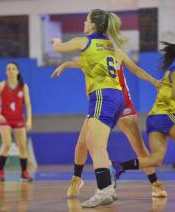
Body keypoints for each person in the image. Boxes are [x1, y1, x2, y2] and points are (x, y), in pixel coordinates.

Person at [51, 49, 167, 198]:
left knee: (139, 146)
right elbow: (79, 67)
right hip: (103, 104)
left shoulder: (116, 53)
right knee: (82, 143)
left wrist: (154, 81)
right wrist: (65, 64)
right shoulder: (89, 55)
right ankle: (77, 178)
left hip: (123, 102)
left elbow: (136, 70)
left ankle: (155, 183)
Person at [51, 9, 128, 208]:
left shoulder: (83, 41)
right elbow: (87, 64)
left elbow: (60, 48)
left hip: (102, 96)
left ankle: (104, 190)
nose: (83, 24)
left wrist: (56, 42)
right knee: (85, 143)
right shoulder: (109, 45)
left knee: (96, 146)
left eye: (86, 21)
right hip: (116, 97)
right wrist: (67, 65)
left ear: (92, 25)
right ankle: (96, 185)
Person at [112, 42, 175, 199]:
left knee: (156, 159)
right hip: (166, 116)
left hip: (153, 118)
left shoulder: (170, 71)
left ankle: (119, 166)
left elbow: (168, 93)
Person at [0, 62, 33, 182]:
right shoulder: (1, 86)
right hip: (5, 120)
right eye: (8, 69)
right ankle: (0, 171)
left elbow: (28, 105)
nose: (11, 70)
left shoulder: (23, 87)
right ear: (6, 72)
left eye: (13, 68)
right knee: (7, 144)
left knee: (22, 146)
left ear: (17, 71)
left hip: (19, 119)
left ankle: (24, 173)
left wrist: (29, 120)